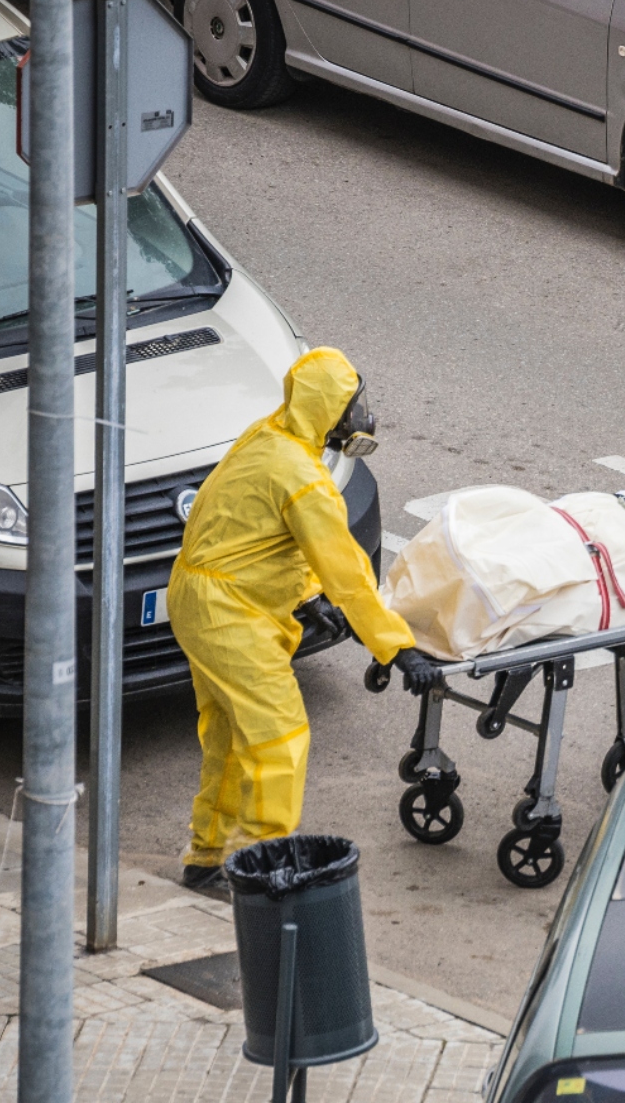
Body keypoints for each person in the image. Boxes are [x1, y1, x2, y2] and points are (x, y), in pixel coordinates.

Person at [169, 347, 443, 890]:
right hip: (231, 612)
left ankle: (206, 858)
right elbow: (348, 573)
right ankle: (263, 867)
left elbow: (261, 537)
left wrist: (309, 595)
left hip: (201, 596)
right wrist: (396, 647)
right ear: (328, 411)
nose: (361, 416)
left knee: (229, 737)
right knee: (279, 737)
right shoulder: (304, 478)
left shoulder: (270, 437)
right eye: (352, 406)